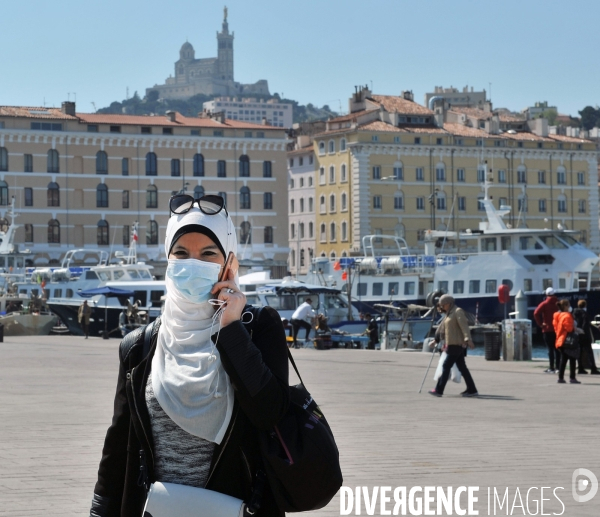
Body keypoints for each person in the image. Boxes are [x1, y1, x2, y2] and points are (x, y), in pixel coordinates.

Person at [89, 194, 289, 517]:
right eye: (181, 253)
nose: (192, 263)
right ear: (168, 261)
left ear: (229, 264)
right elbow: (116, 455)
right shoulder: (139, 348)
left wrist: (231, 329)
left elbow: (271, 413)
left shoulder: (260, 330)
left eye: (208, 253)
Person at [429, 294, 478, 397]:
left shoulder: (457, 311)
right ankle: (472, 389)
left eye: (443, 305)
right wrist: (436, 340)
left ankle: (439, 390)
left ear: (449, 303)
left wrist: (468, 339)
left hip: (456, 344)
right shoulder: (449, 313)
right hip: (451, 344)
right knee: (462, 368)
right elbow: (442, 328)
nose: (442, 307)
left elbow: (464, 326)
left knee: (446, 366)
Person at [553, 299, 580, 384]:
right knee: (572, 359)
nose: (569, 307)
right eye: (568, 305)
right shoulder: (567, 316)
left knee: (563, 360)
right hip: (568, 340)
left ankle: (560, 377)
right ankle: (572, 377)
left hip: (560, 340)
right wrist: (575, 329)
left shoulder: (557, 316)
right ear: (565, 306)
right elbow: (569, 328)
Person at [534, 287, 560, 373]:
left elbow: (536, 313)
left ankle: (551, 367)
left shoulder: (544, 304)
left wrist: (540, 324)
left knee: (550, 349)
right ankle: (558, 367)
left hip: (547, 328)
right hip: (557, 329)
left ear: (546, 294)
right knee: (557, 349)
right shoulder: (558, 303)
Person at [573, 299, 600, 375]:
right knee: (589, 352)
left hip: (577, 334)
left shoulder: (574, 313)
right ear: (585, 305)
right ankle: (593, 368)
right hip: (585, 335)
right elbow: (585, 323)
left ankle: (580, 368)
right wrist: (584, 331)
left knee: (579, 352)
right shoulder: (585, 313)